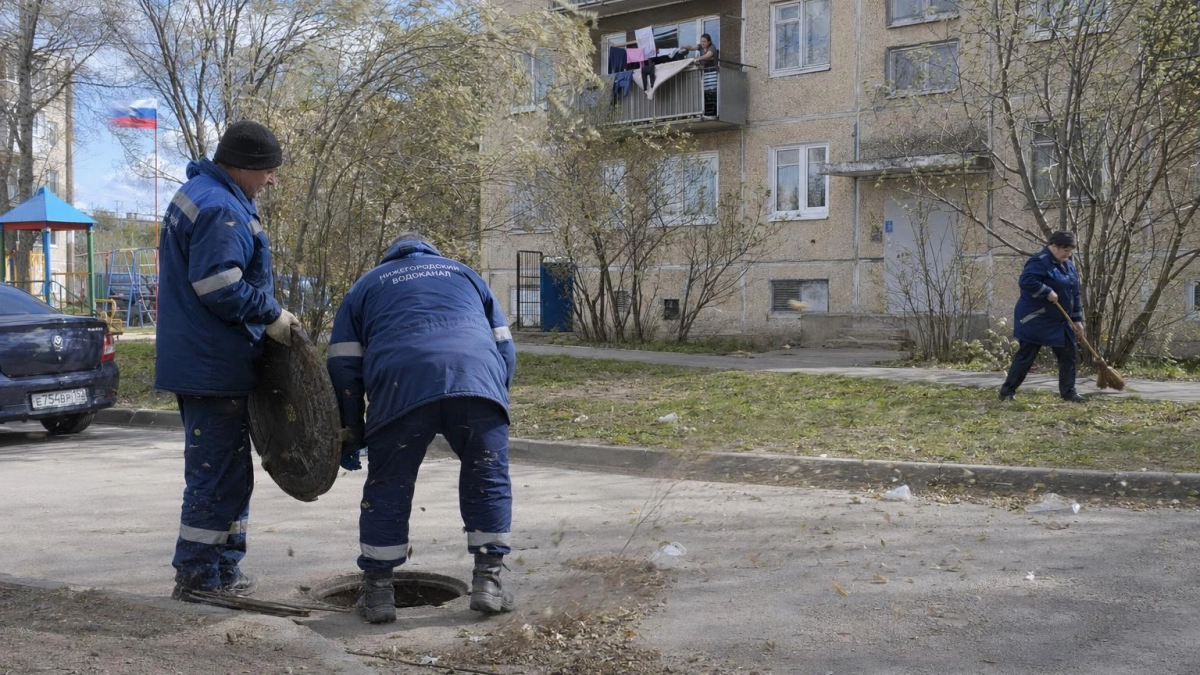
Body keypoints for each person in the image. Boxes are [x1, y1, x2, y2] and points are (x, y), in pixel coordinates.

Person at [326, 232, 517, 624]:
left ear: (390, 257)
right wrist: (495, 398)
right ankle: (488, 582)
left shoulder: (366, 284)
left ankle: (379, 593)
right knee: (487, 477)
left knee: (389, 484)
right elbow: (505, 348)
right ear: (433, 252)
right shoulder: (465, 275)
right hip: (476, 379)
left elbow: (344, 365)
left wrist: (353, 430)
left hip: (402, 386)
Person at [156, 120, 301, 601]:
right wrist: (272, 314)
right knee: (216, 475)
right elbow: (218, 285)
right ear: (244, 167)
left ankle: (222, 571)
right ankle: (198, 578)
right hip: (213, 366)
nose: (272, 181)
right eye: (269, 171)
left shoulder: (199, 193)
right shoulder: (222, 209)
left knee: (229, 474)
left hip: (204, 362)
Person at [999, 230, 1086, 403]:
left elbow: (1074, 293)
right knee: (1026, 356)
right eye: (1065, 250)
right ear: (1053, 246)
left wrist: (1077, 319)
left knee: (1069, 354)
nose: (1067, 255)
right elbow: (1026, 281)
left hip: (1061, 320)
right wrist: (1046, 291)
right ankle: (1007, 392)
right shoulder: (1039, 261)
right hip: (1036, 318)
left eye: (1070, 251)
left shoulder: (1068, 266)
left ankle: (1069, 392)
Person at [681, 34, 719, 115]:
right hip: (705, 72)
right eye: (701, 41)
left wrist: (698, 58)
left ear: (709, 42)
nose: (702, 43)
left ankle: (714, 109)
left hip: (712, 72)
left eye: (704, 41)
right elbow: (692, 47)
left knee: (711, 90)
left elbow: (708, 55)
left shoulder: (712, 47)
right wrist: (684, 47)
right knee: (704, 90)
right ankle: (705, 109)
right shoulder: (701, 47)